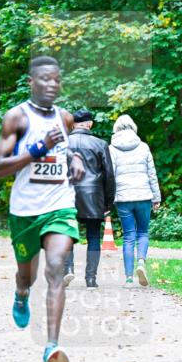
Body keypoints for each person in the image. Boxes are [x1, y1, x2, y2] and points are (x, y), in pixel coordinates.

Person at [0, 56, 86, 362]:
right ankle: (21, 294)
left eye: (57, 79)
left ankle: (52, 346)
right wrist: (36, 148)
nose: (52, 84)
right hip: (25, 211)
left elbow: (64, 149)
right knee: (27, 276)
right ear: (31, 82)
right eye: (46, 79)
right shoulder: (15, 118)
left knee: (57, 267)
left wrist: (74, 160)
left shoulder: (65, 118)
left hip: (59, 205)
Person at [63, 109, 115, 288]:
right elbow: (109, 176)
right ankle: (91, 278)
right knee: (93, 236)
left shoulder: (63, 143)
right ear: (90, 124)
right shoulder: (100, 144)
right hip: (93, 196)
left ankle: (68, 270)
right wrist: (108, 202)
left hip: (67, 196)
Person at [109, 114, 160, 286]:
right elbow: (152, 174)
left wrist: (109, 199)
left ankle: (129, 278)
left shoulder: (112, 148)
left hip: (123, 198)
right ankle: (141, 262)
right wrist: (156, 197)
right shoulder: (143, 147)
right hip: (144, 195)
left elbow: (111, 176)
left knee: (128, 236)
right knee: (143, 233)